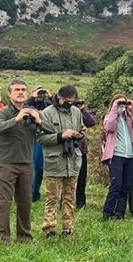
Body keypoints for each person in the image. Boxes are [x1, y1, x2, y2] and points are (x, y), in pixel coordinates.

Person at [0, 78, 43, 244]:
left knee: (25, 202)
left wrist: (39, 120)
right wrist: (16, 119)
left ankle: (24, 237)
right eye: (17, 90)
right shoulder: (4, 112)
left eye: (23, 90)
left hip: (26, 163)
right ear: (9, 93)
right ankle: (1, 239)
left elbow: (49, 130)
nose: (20, 92)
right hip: (6, 162)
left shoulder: (32, 113)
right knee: (3, 202)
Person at [38, 85, 84, 238]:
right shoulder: (47, 113)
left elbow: (83, 129)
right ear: (60, 98)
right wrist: (60, 136)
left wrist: (79, 135)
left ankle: (68, 228)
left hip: (73, 160)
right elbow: (41, 138)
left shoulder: (76, 112)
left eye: (73, 101)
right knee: (52, 197)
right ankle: (49, 228)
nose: (70, 104)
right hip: (55, 161)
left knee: (70, 197)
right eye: (67, 101)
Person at [101, 94, 133, 220]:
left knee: (126, 185)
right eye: (119, 103)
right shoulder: (109, 117)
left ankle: (120, 213)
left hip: (130, 156)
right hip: (116, 155)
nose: (122, 106)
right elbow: (109, 127)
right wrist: (115, 108)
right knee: (116, 184)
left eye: (123, 104)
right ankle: (107, 212)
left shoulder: (129, 118)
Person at [27, 86, 52, 202]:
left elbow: (57, 107)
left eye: (41, 93)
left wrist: (50, 97)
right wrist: (33, 96)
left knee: (40, 168)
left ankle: (35, 193)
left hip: (44, 138)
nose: (40, 95)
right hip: (32, 138)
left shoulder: (47, 106)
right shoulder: (29, 105)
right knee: (33, 167)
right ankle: (30, 193)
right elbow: (25, 106)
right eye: (38, 93)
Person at [75, 99, 97, 209]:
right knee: (67, 178)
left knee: (82, 177)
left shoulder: (82, 113)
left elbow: (92, 122)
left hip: (81, 149)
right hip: (69, 150)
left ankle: (81, 202)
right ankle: (65, 201)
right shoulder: (67, 114)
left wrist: (83, 110)